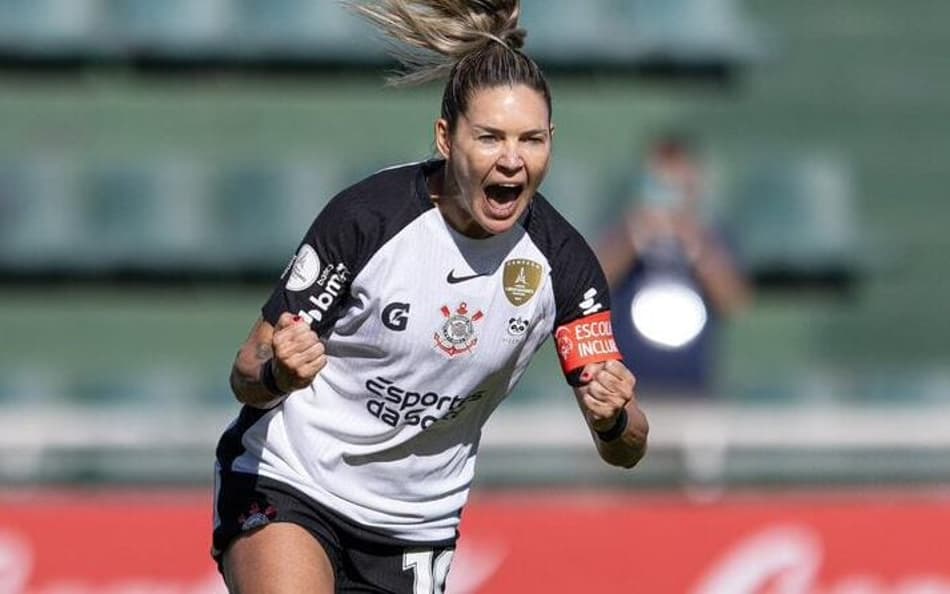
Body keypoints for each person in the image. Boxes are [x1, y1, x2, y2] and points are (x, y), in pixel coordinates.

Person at [212, 1, 649, 592]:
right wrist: (279, 375)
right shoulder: (367, 220)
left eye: (532, 139)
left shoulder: (565, 267)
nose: (513, 160)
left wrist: (615, 415)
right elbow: (246, 371)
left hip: (415, 528)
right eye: (490, 137)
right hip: (292, 481)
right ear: (446, 138)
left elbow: (625, 447)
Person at [596, 135, 751, 396]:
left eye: (677, 185)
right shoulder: (622, 231)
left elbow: (733, 301)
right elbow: (593, 285)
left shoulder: (712, 236)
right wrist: (634, 238)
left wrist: (695, 243)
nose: (669, 195)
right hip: (628, 385)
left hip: (693, 385)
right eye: (660, 183)